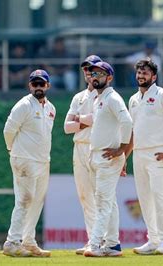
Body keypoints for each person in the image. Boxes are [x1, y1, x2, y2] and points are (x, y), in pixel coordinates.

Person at [129, 58, 163, 255]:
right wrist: (126, 157)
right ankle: (153, 240)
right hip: (139, 154)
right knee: (144, 199)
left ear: (154, 76)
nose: (141, 76)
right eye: (139, 73)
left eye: (145, 73)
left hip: (158, 153)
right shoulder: (134, 99)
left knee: (160, 198)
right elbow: (133, 132)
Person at [2, 69, 55, 257]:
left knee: (37, 201)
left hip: (42, 160)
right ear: (29, 86)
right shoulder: (23, 105)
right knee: (24, 200)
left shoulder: (51, 108)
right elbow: (8, 130)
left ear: (48, 85)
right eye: (35, 84)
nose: (38, 87)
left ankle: (28, 241)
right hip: (24, 159)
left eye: (42, 84)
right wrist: (12, 150)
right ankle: (12, 242)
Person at [83, 62, 133, 257]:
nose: (95, 76)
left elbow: (127, 121)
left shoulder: (113, 98)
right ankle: (112, 245)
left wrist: (121, 149)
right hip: (96, 156)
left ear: (109, 78)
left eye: (100, 73)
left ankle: (95, 244)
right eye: (93, 73)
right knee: (107, 202)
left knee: (103, 203)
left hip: (108, 158)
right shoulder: (98, 99)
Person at [63, 55, 102, 255]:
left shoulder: (105, 95)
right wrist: (87, 120)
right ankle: (92, 240)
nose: (89, 73)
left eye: (93, 69)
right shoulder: (78, 97)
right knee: (85, 196)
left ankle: (105, 240)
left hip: (97, 147)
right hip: (79, 146)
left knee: (100, 196)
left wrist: (79, 119)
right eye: (86, 69)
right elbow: (67, 127)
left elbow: (100, 119)